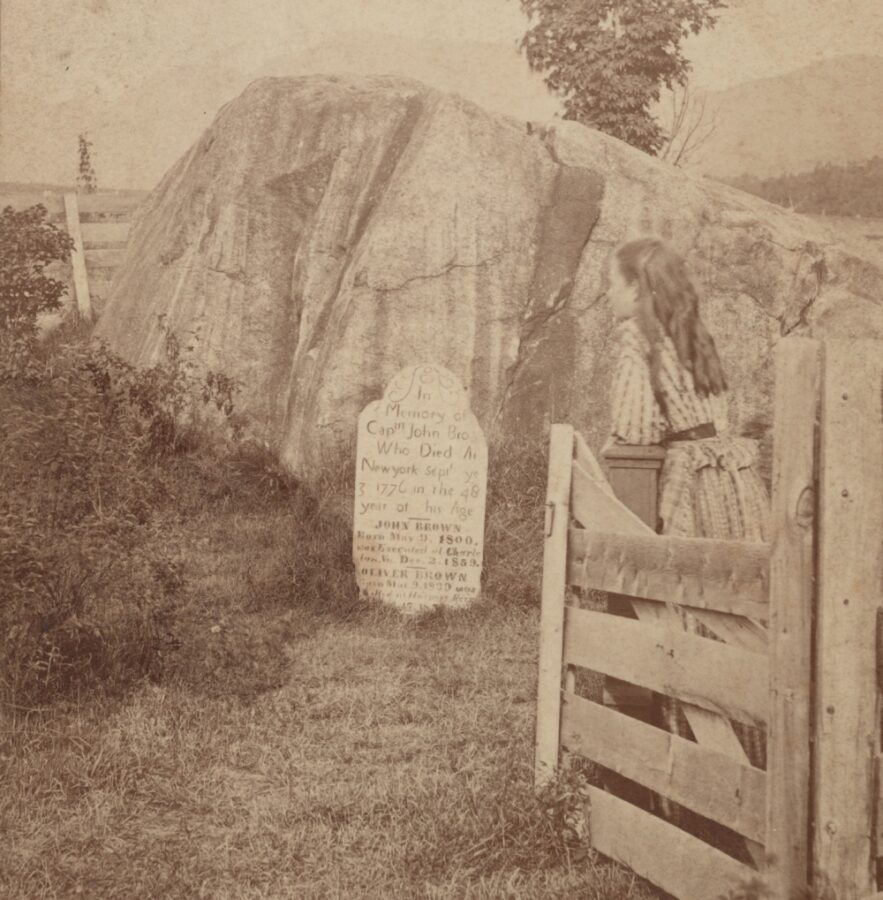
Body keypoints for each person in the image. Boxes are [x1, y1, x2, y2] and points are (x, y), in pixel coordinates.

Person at [603, 237, 769, 801]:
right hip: (735, 486)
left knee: (687, 618)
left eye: (613, 283)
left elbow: (637, 428)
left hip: (692, 489)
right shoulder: (692, 334)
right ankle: (755, 763)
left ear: (637, 290)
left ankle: (695, 785)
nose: (608, 295)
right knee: (741, 619)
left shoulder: (638, 342)